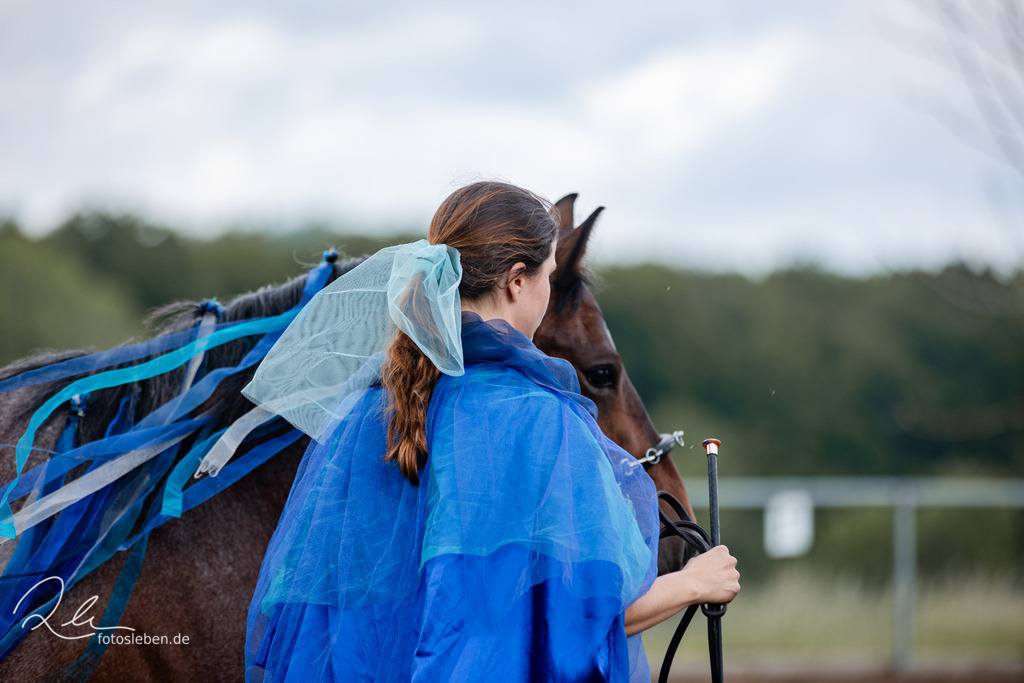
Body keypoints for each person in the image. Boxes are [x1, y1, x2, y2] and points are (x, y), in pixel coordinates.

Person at [242, 181, 740, 682]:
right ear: (517, 281)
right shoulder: (545, 422)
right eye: (547, 274)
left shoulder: (366, 414)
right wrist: (697, 582)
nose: (547, 291)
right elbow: (593, 619)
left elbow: (320, 622)